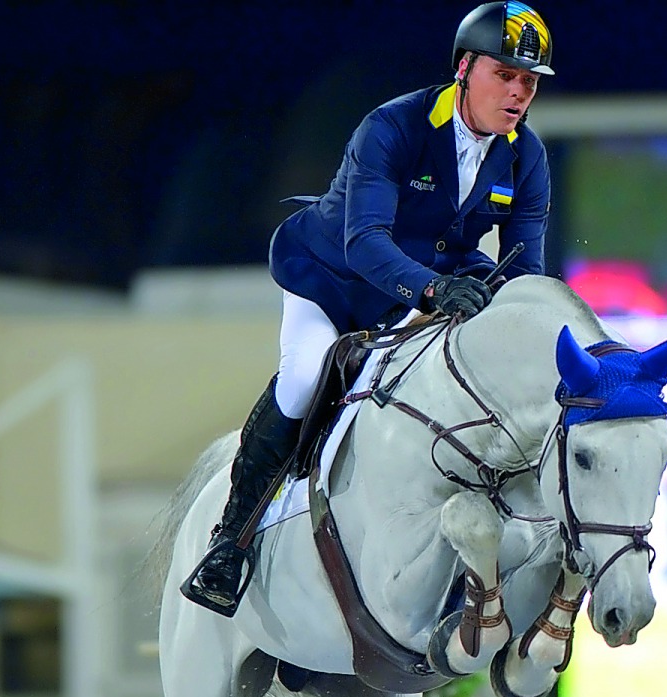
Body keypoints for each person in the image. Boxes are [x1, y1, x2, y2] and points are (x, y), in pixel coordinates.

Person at [182, 1, 556, 616]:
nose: (518, 93)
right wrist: (436, 292)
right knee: (306, 380)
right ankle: (231, 542)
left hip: (419, 289)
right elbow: (365, 242)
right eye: (505, 75)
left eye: (529, 82)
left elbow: (525, 268)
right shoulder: (394, 128)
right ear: (465, 68)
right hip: (331, 280)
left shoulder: (526, 155)